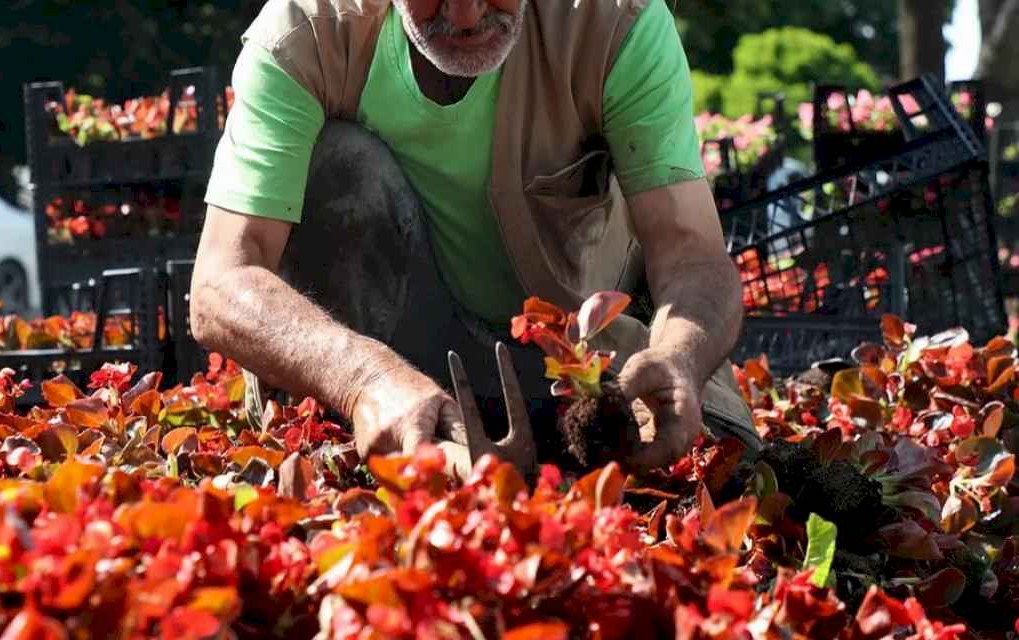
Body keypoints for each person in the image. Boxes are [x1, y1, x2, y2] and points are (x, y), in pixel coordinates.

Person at [189, 0, 758, 471]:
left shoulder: (612, 22)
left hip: (575, 369)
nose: (463, 15)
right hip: (394, 367)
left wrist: (680, 356)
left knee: (733, 470)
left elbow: (690, 252)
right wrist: (364, 379)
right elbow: (222, 281)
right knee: (342, 164)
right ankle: (374, 445)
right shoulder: (306, 32)